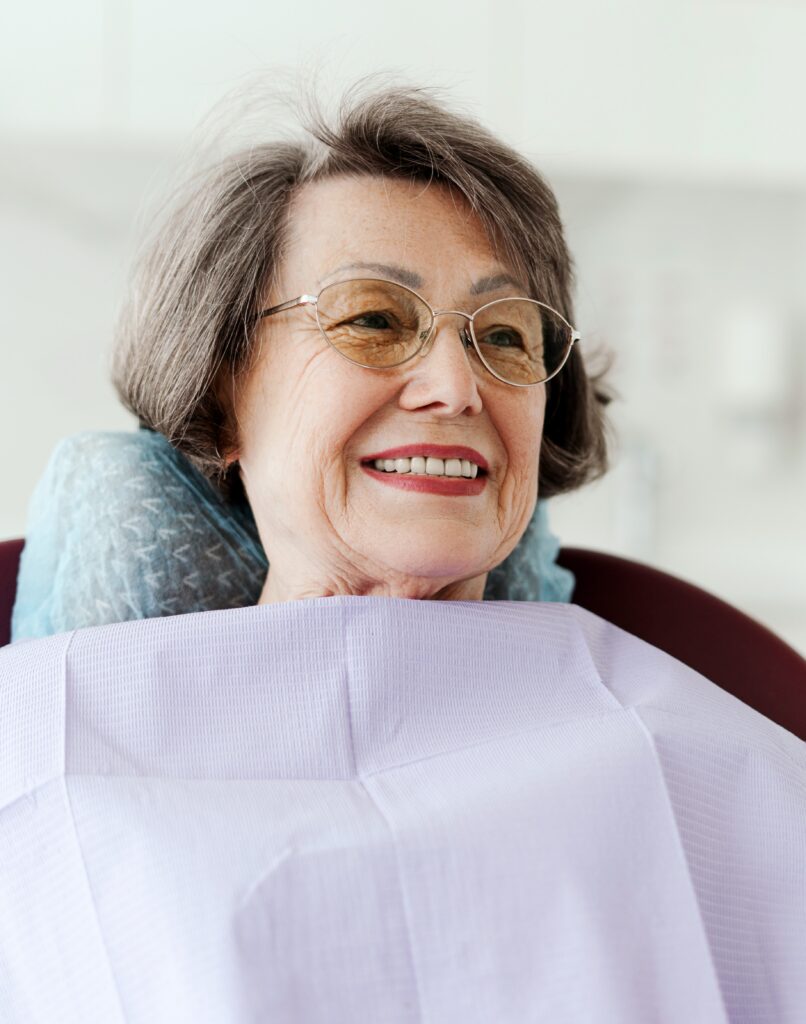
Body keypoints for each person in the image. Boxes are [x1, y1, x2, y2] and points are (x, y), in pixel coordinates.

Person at [1, 81, 804, 1023]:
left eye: (505, 336)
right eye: (374, 319)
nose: (457, 386)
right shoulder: (48, 761)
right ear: (220, 396)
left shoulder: (697, 757)